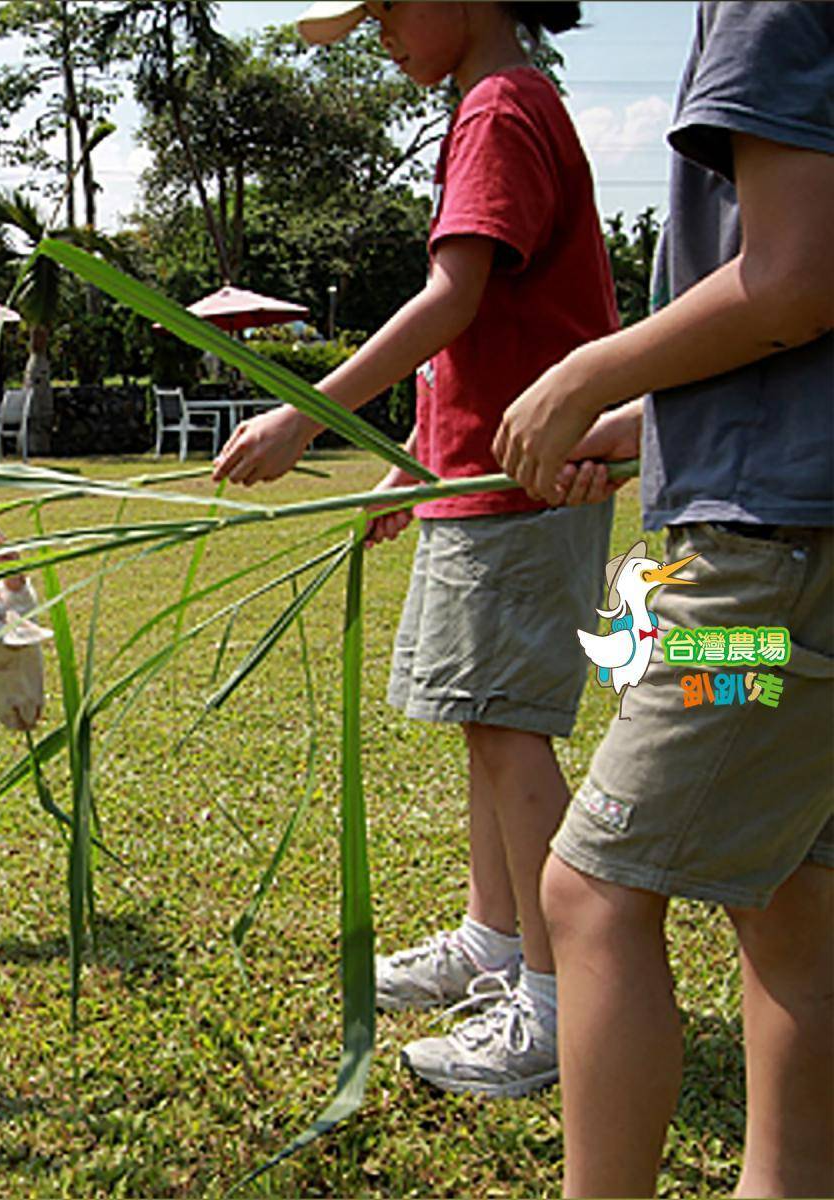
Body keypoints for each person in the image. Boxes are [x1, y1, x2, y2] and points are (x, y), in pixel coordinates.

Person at [214, 1, 618, 1096]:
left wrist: (307, 412)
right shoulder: (496, 106)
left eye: (392, 4)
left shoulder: (499, 109)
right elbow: (484, 340)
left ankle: (549, 997)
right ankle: (494, 939)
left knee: (508, 730)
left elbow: (453, 298)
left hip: (520, 490)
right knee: (486, 727)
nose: (381, 29)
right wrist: (409, 464)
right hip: (481, 480)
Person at [494, 2, 833, 1193]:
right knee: (795, 895)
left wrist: (587, 369)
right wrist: (640, 429)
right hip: (801, 550)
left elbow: (793, 280)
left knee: (588, 891)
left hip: (759, 570)